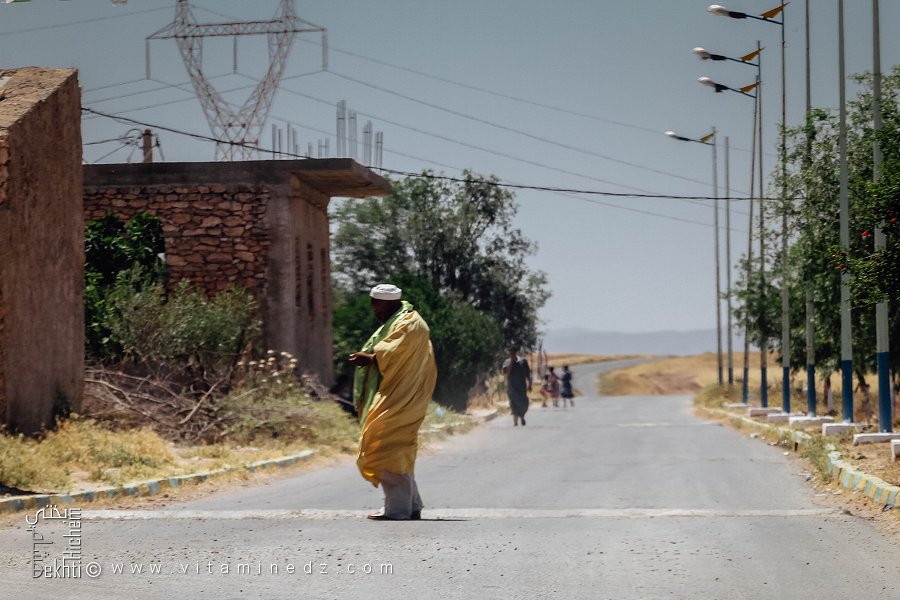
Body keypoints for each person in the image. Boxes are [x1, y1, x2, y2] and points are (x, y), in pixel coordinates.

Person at [350, 284, 437, 521]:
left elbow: (394, 353)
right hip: (400, 394)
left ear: (387, 303)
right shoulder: (402, 321)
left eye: (375, 304)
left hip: (404, 396)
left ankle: (397, 510)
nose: (373, 309)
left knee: (384, 443)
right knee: (397, 447)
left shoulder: (408, 323)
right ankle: (411, 505)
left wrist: (369, 358)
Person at [502, 348, 532, 426]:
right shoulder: (507, 362)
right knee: (513, 403)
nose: (512, 355)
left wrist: (530, 384)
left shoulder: (523, 362)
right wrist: (511, 363)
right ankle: (515, 422)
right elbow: (506, 373)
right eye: (510, 354)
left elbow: (528, 374)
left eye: (513, 353)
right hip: (512, 386)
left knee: (524, 402)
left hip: (522, 386)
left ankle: (522, 416)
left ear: (516, 353)